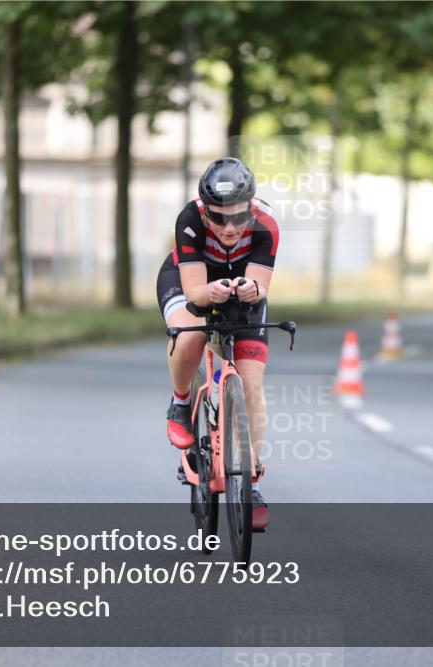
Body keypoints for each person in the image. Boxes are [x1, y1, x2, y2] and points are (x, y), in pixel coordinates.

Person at [155, 157, 279, 530]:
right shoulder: (189, 219)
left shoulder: (267, 225)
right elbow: (194, 291)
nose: (229, 227)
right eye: (219, 217)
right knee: (190, 334)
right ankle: (180, 403)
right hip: (188, 279)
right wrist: (210, 293)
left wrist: (250, 289)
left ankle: (251, 482)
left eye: (239, 218)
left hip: (241, 288)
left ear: (252, 210)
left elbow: (261, 286)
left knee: (253, 384)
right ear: (205, 211)